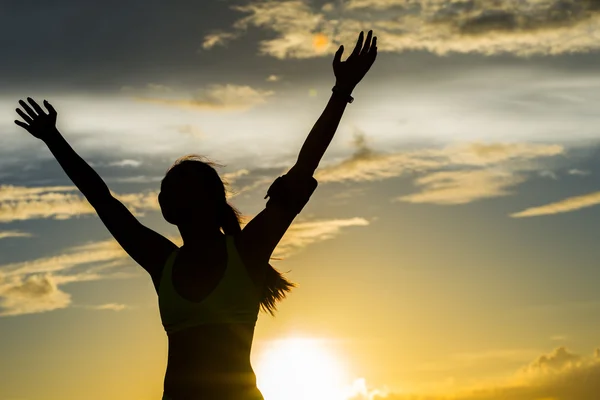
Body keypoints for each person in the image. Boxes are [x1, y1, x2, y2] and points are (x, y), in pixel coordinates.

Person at [14, 30, 378, 400]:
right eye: (166, 190)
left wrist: (341, 90)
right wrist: (53, 139)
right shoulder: (162, 262)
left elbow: (305, 167)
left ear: (211, 200)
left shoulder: (247, 251)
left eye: (180, 186)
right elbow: (103, 200)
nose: (167, 195)